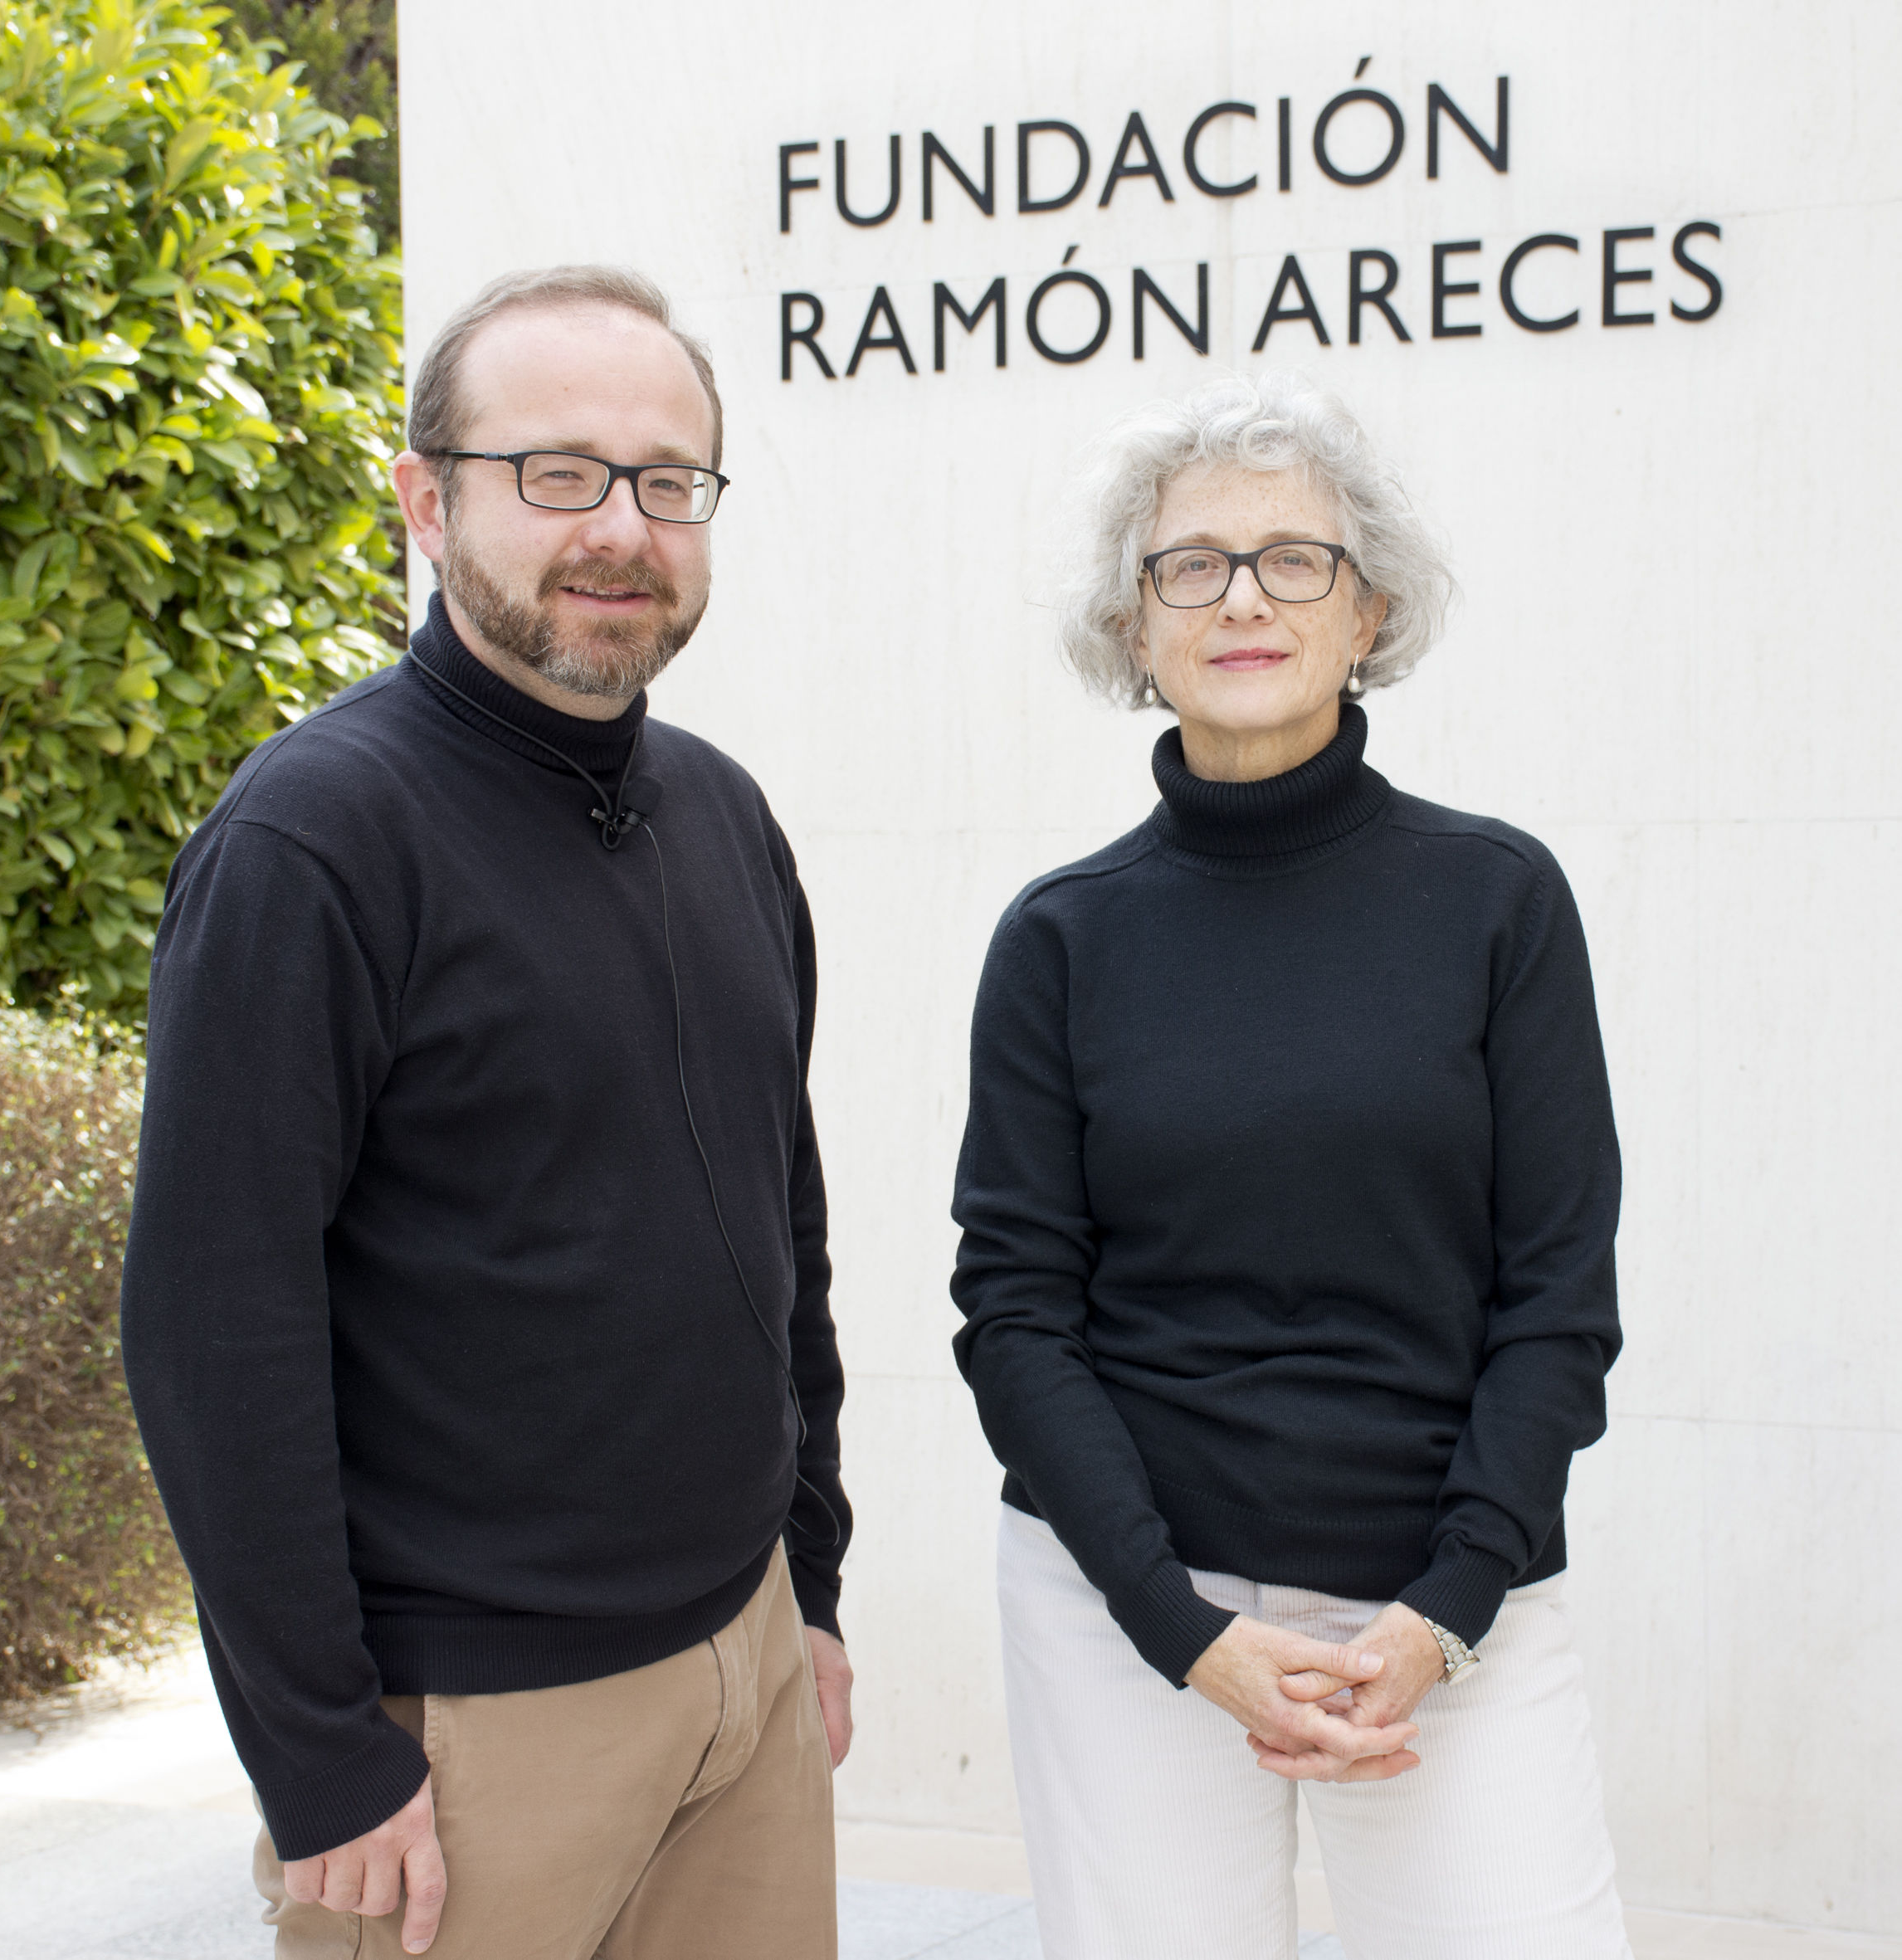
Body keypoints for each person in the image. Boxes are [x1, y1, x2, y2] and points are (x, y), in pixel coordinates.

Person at [122, 265, 852, 1960]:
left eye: (666, 479)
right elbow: (212, 1326)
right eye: (557, 470)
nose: (621, 527)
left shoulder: (724, 816)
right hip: (467, 1728)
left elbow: (783, 1227)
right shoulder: (311, 842)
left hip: (743, 1669)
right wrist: (318, 1749)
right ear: (425, 500)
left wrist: (805, 1583)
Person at [950, 369, 1631, 1960]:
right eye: (1190, 564)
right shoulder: (1059, 938)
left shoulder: (1497, 902)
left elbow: (1557, 1298)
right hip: (1127, 1603)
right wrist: (1178, 1624)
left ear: (1367, 607)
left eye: (1292, 559)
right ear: (1134, 625)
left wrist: (1447, 1609)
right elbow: (1015, 1315)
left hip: (1445, 1601)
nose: (1242, 597)